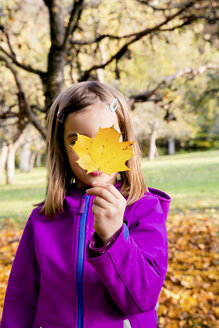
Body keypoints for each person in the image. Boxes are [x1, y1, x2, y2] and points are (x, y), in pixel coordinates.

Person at [0, 81, 171, 328]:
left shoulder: (144, 210)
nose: (93, 153)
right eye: (77, 141)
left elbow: (142, 299)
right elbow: (20, 300)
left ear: (124, 140)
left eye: (106, 136)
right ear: (62, 149)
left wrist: (114, 238)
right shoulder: (43, 219)